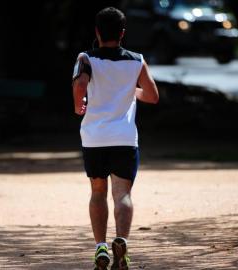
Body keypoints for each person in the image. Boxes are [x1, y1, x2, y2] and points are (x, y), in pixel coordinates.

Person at [72, 7, 159, 270]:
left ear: (97, 32)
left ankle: (100, 246)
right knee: (122, 194)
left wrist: (79, 105)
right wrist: (130, 90)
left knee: (98, 192)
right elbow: (153, 95)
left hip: (95, 137)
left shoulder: (86, 58)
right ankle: (121, 241)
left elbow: (80, 84)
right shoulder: (136, 60)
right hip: (124, 137)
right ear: (122, 33)